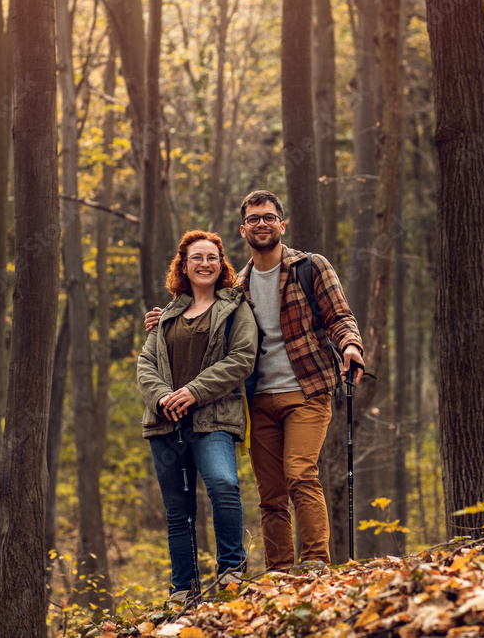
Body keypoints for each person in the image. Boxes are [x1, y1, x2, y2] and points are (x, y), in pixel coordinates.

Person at [146, 191, 364, 576]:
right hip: (257, 401)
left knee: (300, 473)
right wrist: (166, 317)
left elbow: (340, 316)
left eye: (269, 217)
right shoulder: (238, 286)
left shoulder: (311, 267)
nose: (262, 223)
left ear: (283, 224)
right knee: (271, 494)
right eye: (254, 219)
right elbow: (203, 313)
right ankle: (280, 573)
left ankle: (314, 563)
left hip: (307, 389)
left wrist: (350, 346)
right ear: (243, 229)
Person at [137, 229, 257, 603]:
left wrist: (193, 391)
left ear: (221, 265)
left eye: (212, 258)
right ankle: (182, 590)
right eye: (196, 258)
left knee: (223, 484)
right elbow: (146, 363)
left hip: (214, 419)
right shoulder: (167, 314)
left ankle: (231, 571)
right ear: (183, 266)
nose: (205, 263)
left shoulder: (236, 308)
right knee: (177, 509)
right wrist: (162, 399)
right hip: (165, 424)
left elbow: (242, 359)